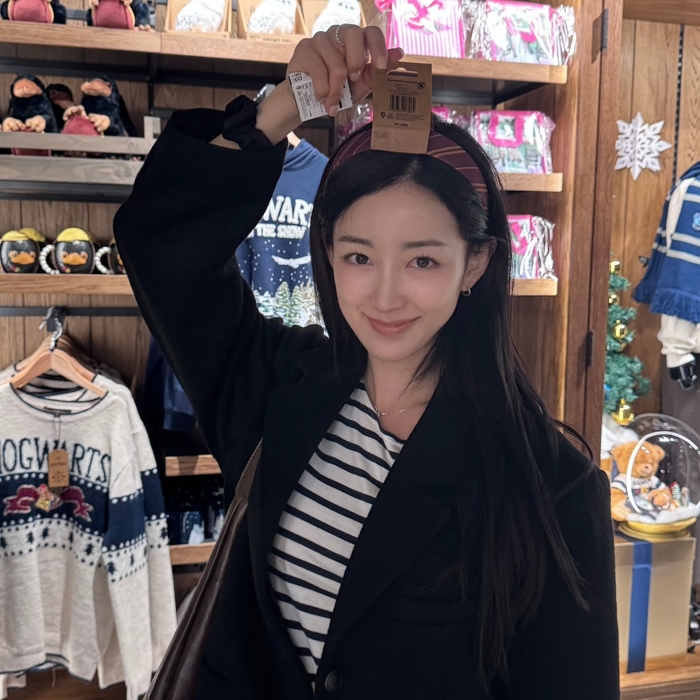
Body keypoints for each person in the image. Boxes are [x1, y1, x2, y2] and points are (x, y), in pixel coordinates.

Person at [114, 24, 619, 700]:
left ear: (475, 263)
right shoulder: (280, 386)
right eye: (359, 256)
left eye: (422, 261)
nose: (384, 296)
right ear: (328, 253)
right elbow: (160, 244)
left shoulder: (553, 488)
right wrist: (286, 105)